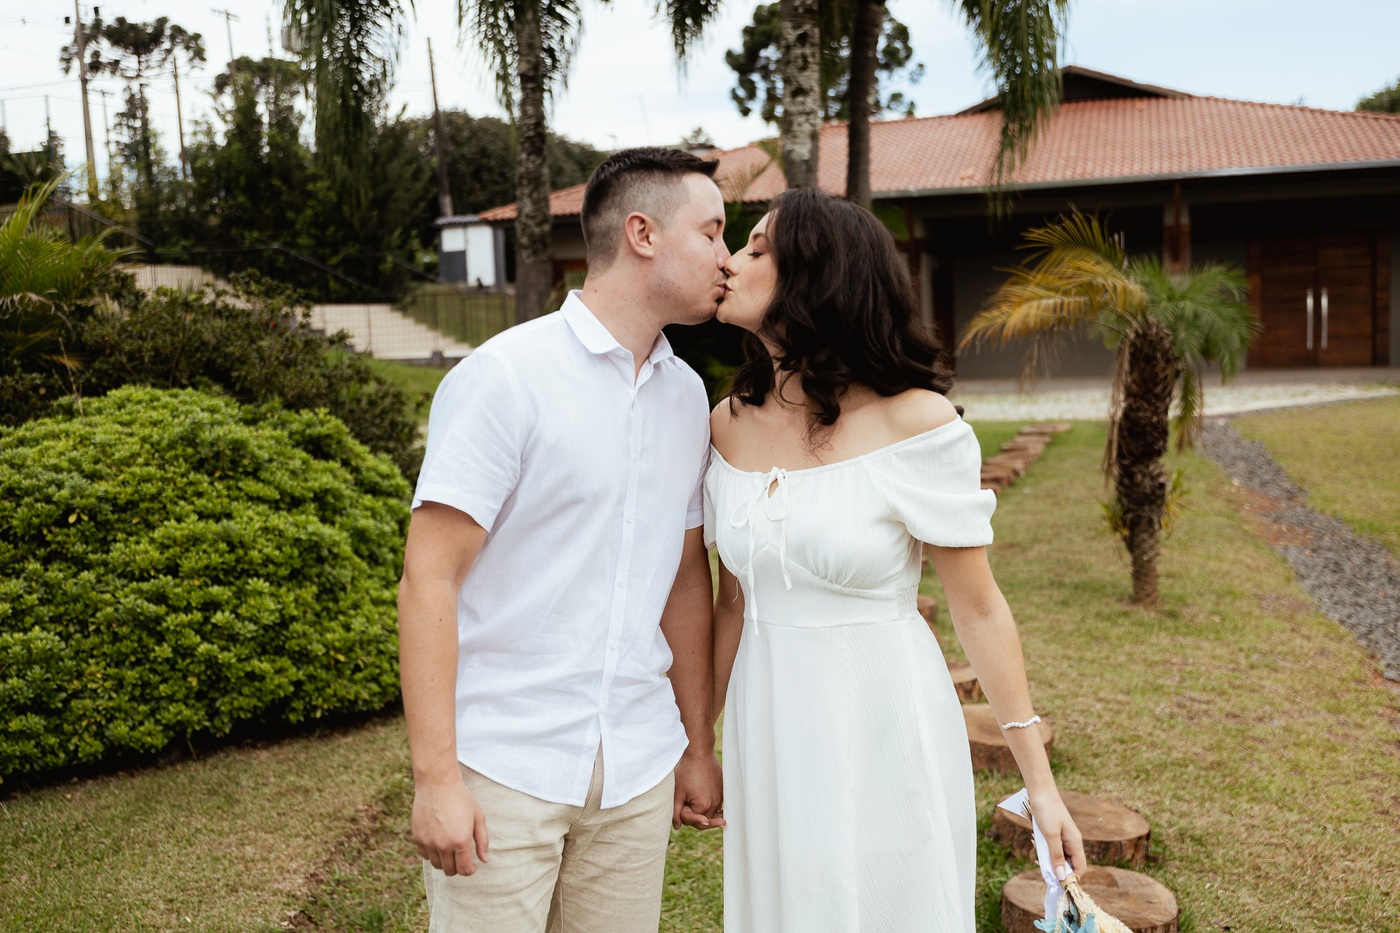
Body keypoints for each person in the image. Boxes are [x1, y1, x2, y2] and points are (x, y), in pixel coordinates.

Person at [707, 187, 1086, 932]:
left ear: (816, 276)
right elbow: (731, 602)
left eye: (757, 249)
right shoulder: (726, 422)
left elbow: (979, 607)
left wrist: (1040, 786)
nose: (731, 262)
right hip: (769, 723)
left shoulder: (916, 421)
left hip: (882, 714)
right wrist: (698, 744)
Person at [397, 147, 729, 933]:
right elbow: (428, 577)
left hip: (638, 766)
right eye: (712, 232)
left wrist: (696, 744)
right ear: (643, 234)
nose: (726, 257)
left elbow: (686, 576)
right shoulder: (505, 377)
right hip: (505, 765)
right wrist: (436, 778)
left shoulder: (687, 395)